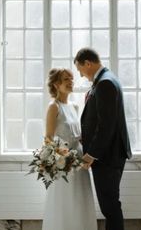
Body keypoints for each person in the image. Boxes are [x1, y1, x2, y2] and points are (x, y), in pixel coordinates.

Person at [74, 48, 132, 230]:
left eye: (80, 69)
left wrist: (91, 154)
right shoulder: (106, 79)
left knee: (110, 206)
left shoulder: (105, 83)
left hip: (107, 157)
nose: (80, 75)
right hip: (109, 154)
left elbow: (107, 125)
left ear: (88, 64)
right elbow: (100, 119)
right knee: (110, 204)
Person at [42, 68, 97, 230]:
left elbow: (79, 136)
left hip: (80, 161)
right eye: (66, 79)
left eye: (72, 79)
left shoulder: (74, 106)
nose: (71, 82)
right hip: (63, 163)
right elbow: (48, 139)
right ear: (56, 84)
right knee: (65, 203)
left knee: (80, 201)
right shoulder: (54, 107)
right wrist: (63, 160)